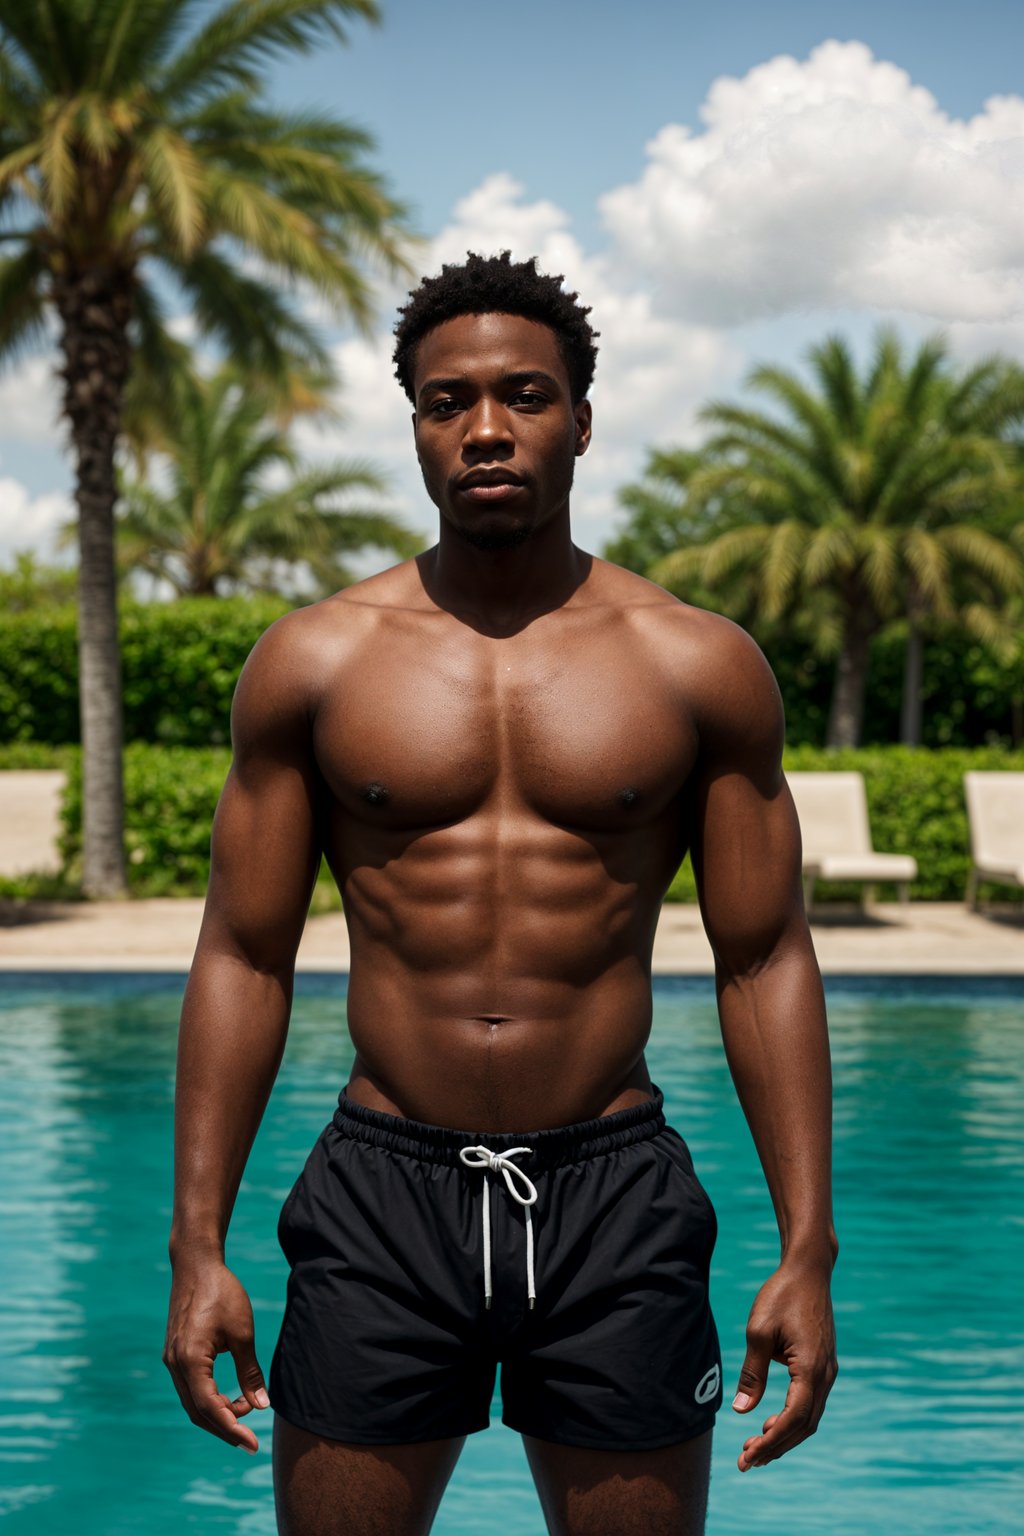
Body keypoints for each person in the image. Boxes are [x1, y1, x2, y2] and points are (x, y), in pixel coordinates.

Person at [163, 251, 838, 1536]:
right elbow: (244, 954)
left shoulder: (696, 664)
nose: (484, 428)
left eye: (524, 395)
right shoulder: (313, 660)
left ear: (580, 418)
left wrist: (809, 1243)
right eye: (444, 400)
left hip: (613, 1195)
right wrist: (196, 1244)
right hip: (380, 1194)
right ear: (413, 422)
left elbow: (762, 958)